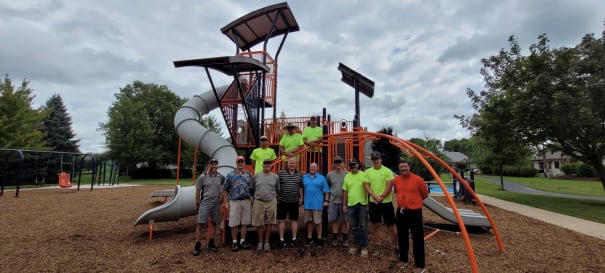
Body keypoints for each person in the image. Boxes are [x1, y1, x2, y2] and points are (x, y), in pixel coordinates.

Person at [393, 159, 429, 273]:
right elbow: (396, 192)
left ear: (409, 167)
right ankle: (403, 259)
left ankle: (420, 264)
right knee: (402, 236)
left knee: (417, 238)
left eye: (405, 166)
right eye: (401, 167)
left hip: (415, 212)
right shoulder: (397, 180)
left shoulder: (418, 180)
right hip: (401, 211)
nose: (403, 168)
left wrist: (413, 202)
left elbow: (425, 194)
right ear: (399, 168)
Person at [363, 151, 397, 252]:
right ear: (372, 160)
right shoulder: (368, 172)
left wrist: (381, 197)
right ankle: (377, 245)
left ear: (381, 159)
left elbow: (390, 185)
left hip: (386, 202)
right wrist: (375, 197)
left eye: (377, 158)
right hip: (374, 203)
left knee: (391, 225)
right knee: (376, 225)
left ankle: (395, 246)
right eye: (374, 159)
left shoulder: (387, 171)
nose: (376, 160)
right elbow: (366, 186)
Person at [192, 158, 225, 256]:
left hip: (216, 203)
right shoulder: (203, 177)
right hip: (205, 203)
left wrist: (222, 196)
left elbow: (224, 186)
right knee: (200, 224)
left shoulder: (220, 176)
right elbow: (198, 190)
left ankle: (211, 242)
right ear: (209, 165)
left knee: (214, 222)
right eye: (212, 164)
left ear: (217, 165)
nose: (214, 166)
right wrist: (197, 204)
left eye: (216, 164)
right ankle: (197, 244)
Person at [222, 155, 253, 252]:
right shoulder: (230, 175)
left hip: (246, 201)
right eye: (238, 162)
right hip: (234, 201)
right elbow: (224, 189)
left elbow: (252, 188)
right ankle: (234, 241)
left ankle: (242, 241)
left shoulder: (249, 174)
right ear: (236, 163)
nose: (240, 163)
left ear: (244, 163)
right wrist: (226, 202)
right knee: (234, 222)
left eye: (242, 161)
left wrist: (252, 198)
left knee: (245, 222)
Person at [342, 158, 370, 257]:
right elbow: (345, 192)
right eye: (351, 165)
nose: (353, 166)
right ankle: (356, 244)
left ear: (358, 165)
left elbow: (368, 190)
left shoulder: (364, 175)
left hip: (362, 204)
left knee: (363, 226)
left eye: (355, 164)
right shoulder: (347, 177)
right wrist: (344, 204)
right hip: (351, 205)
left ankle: (364, 246)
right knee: (353, 226)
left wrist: (368, 203)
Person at [251, 159, 280, 252]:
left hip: (271, 201)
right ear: (262, 165)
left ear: (271, 165)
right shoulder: (256, 176)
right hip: (259, 201)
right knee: (259, 223)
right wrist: (254, 198)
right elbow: (252, 188)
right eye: (265, 163)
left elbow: (277, 189)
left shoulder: (275, 177)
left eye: (269, 163)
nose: (267, 165)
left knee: (269, 222)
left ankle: (267, 242)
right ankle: (260, 242)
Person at [277, 157, 303, 248]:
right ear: (287, 164)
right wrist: (278, 196)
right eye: (290, 163)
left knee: (294, 220)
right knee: (282, 220)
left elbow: (300, 187)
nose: (291, 165)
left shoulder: (299, 174)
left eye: (293, 163)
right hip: (283, 200)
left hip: (294, 201)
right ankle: (281, 239)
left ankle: (294, 238)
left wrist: (301, 197)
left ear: (296, 164)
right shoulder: (281, 173)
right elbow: (277, 186)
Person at [302, 162, 330, 248]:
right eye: (311, 167)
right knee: (309, 221)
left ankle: (319, 238)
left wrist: (326, 200)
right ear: (309, 168)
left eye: (314, 167)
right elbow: (301, 189)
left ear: (317, 169)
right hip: (307, 204)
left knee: (318, 222)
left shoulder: (321, 178)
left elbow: (326, 191)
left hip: (318, 203)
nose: (313, 168)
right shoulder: (304, 177)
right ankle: (309, 238)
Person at [326, 156, 349, 247]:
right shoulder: (329, 174)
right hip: (333, 201)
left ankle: (345, 239)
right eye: (336, 162)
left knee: (345, 221)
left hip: (344, 202)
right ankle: (335, 239)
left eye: (340, 162)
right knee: (334, 220)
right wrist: (327, 200)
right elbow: (327, 187)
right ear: (334, 164)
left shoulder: (347, 174)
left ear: (343, 163)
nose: (338, 164)